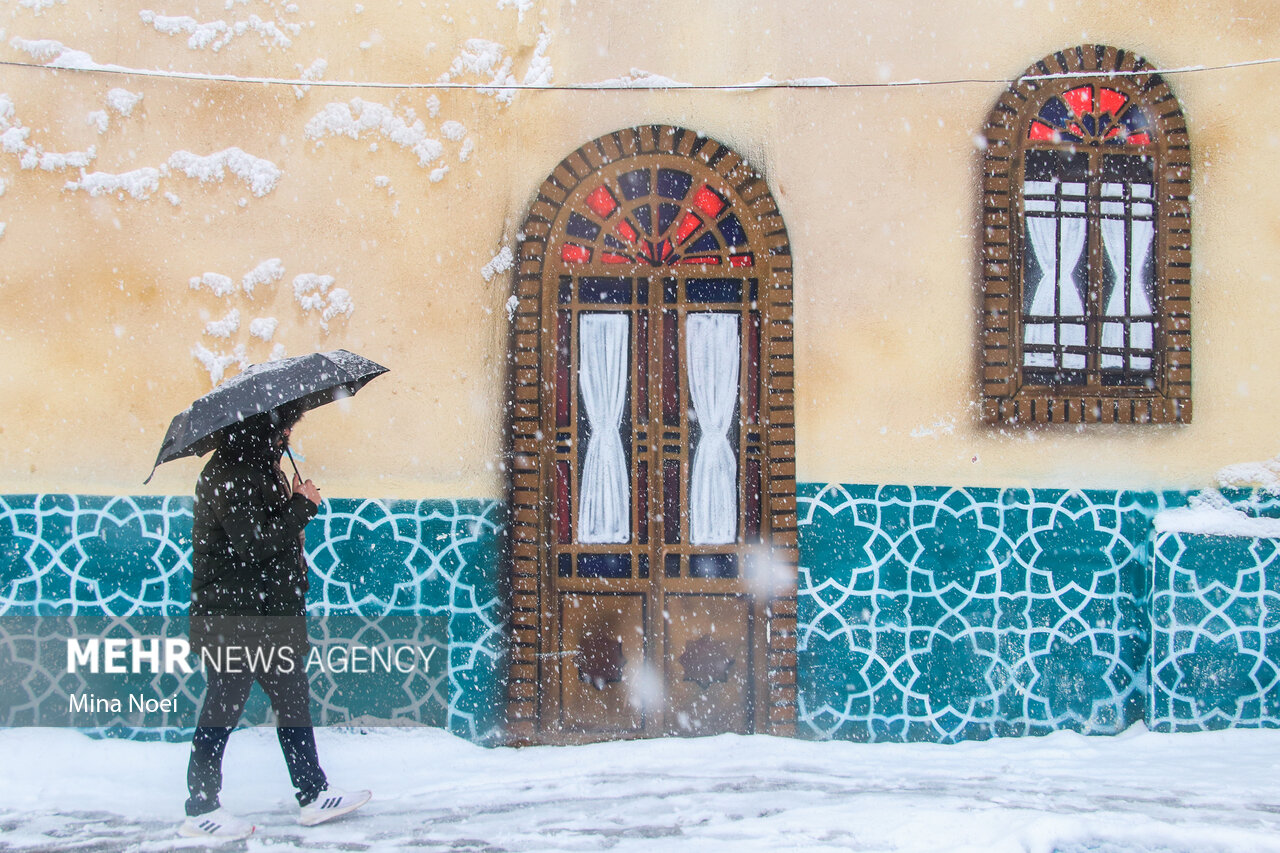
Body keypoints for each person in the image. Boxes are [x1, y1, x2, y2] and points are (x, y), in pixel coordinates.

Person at [179, 404, 371, 840]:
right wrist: (301, 508)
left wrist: (293, 505)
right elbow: (253, 545)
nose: (287, 435)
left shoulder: (257, 468)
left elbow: (267, 535)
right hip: (235, 619)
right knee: (222, 708)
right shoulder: (229, 475)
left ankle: (313, 794)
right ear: (260, 430)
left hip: (264, 617)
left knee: (292, 699)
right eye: (284, 427)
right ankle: (200, 808)